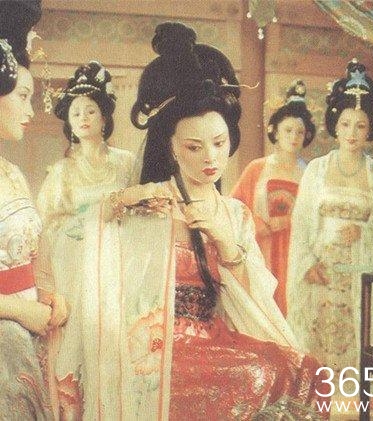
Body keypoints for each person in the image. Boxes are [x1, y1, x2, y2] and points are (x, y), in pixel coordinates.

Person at [71, 22, 329, 420]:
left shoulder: (234, 214)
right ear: (172, 148)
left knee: (308, 373)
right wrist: (123, 199)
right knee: (250, 376)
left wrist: (225, 242)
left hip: (216, 336)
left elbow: (257, 301)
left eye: (219, 143)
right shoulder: (149, 201)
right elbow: (83, 240)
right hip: (156, 344)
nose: (210, 157)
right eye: (194, 146)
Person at [35, 60, 134, 419]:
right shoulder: (61, 171)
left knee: (113, 339)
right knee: (75, 340)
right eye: (76, 112)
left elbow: (139, 213)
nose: (83, 118)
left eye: (90, 110)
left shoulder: (126, 163)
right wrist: (78, 229)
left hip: (116, 263)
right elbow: (46, 223)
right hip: (73, 266)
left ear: (105, 116)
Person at [287, 60, 373, 376]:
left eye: (360, 126)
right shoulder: (316, 170)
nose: (352, 133)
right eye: (346, 124)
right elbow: (301, 225)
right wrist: (307, 265)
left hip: (358, 275)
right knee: (315, 353)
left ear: (370, 129)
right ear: (335, 125)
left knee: (354, 354)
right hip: (320, 271)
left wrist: (364, 231)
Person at [0, 1, 65, 419]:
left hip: (28, 328)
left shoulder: (12, 173)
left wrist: (48, 294)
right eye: (23, 96)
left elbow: (33, 252)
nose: (31, 111)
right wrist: (21, 311)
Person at [231, 80, 315, 315]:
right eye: (288, 130)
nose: (294, 137)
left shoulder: (310, 173)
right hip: (262, 247)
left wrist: (289, 222)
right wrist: (258, 224)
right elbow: (235, 207)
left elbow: (317, 215)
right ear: (275, 132)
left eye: (300, 132)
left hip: (296, 251)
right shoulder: (257, 168)